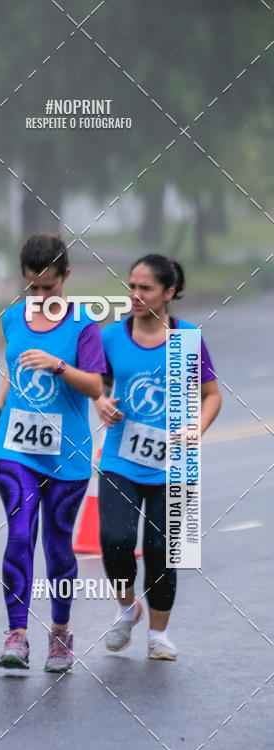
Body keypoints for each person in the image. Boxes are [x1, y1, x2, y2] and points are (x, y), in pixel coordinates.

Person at [0, 235, 106, 672]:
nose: (41, 296)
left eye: (49, 286)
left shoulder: (84, 325)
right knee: (20, 534)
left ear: (65, 277)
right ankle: (17, 635)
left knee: (59, 547)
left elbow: (95, 386)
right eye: (33, 287)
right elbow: (15, 372)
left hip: (67, 454)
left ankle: (61, 633)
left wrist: (58, 365)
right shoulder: (12, 319)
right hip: (15, 447)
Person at [95, 254, 221, 660]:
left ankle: (158, 636)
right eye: (131, 286)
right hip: (121, 458)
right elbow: (96, 383)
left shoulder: (188, 339)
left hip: (176, 463)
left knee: (163, 550)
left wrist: (196, 429)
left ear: (168, 293)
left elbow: (212, 396)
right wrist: (100, 401)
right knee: (114, 541)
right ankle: (127, 607)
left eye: (145, 288)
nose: (135, 295)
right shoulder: (111, 337)